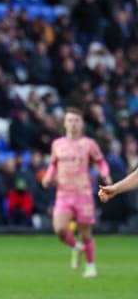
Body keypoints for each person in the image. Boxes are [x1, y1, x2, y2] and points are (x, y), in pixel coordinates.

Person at [41, 107, 111, 278]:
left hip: (83, 193)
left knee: (85, 231)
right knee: (59, 229)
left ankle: (91, 266)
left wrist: (105, 174)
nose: (73, 124)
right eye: (70, 120)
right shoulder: (57, 144)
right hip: (63, 193)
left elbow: (101, 162)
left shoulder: (89, 144)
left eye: (76, 120)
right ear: (64, 123)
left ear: (82, 124)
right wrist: (48, 176)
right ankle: (76, 247)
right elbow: (53, 164)